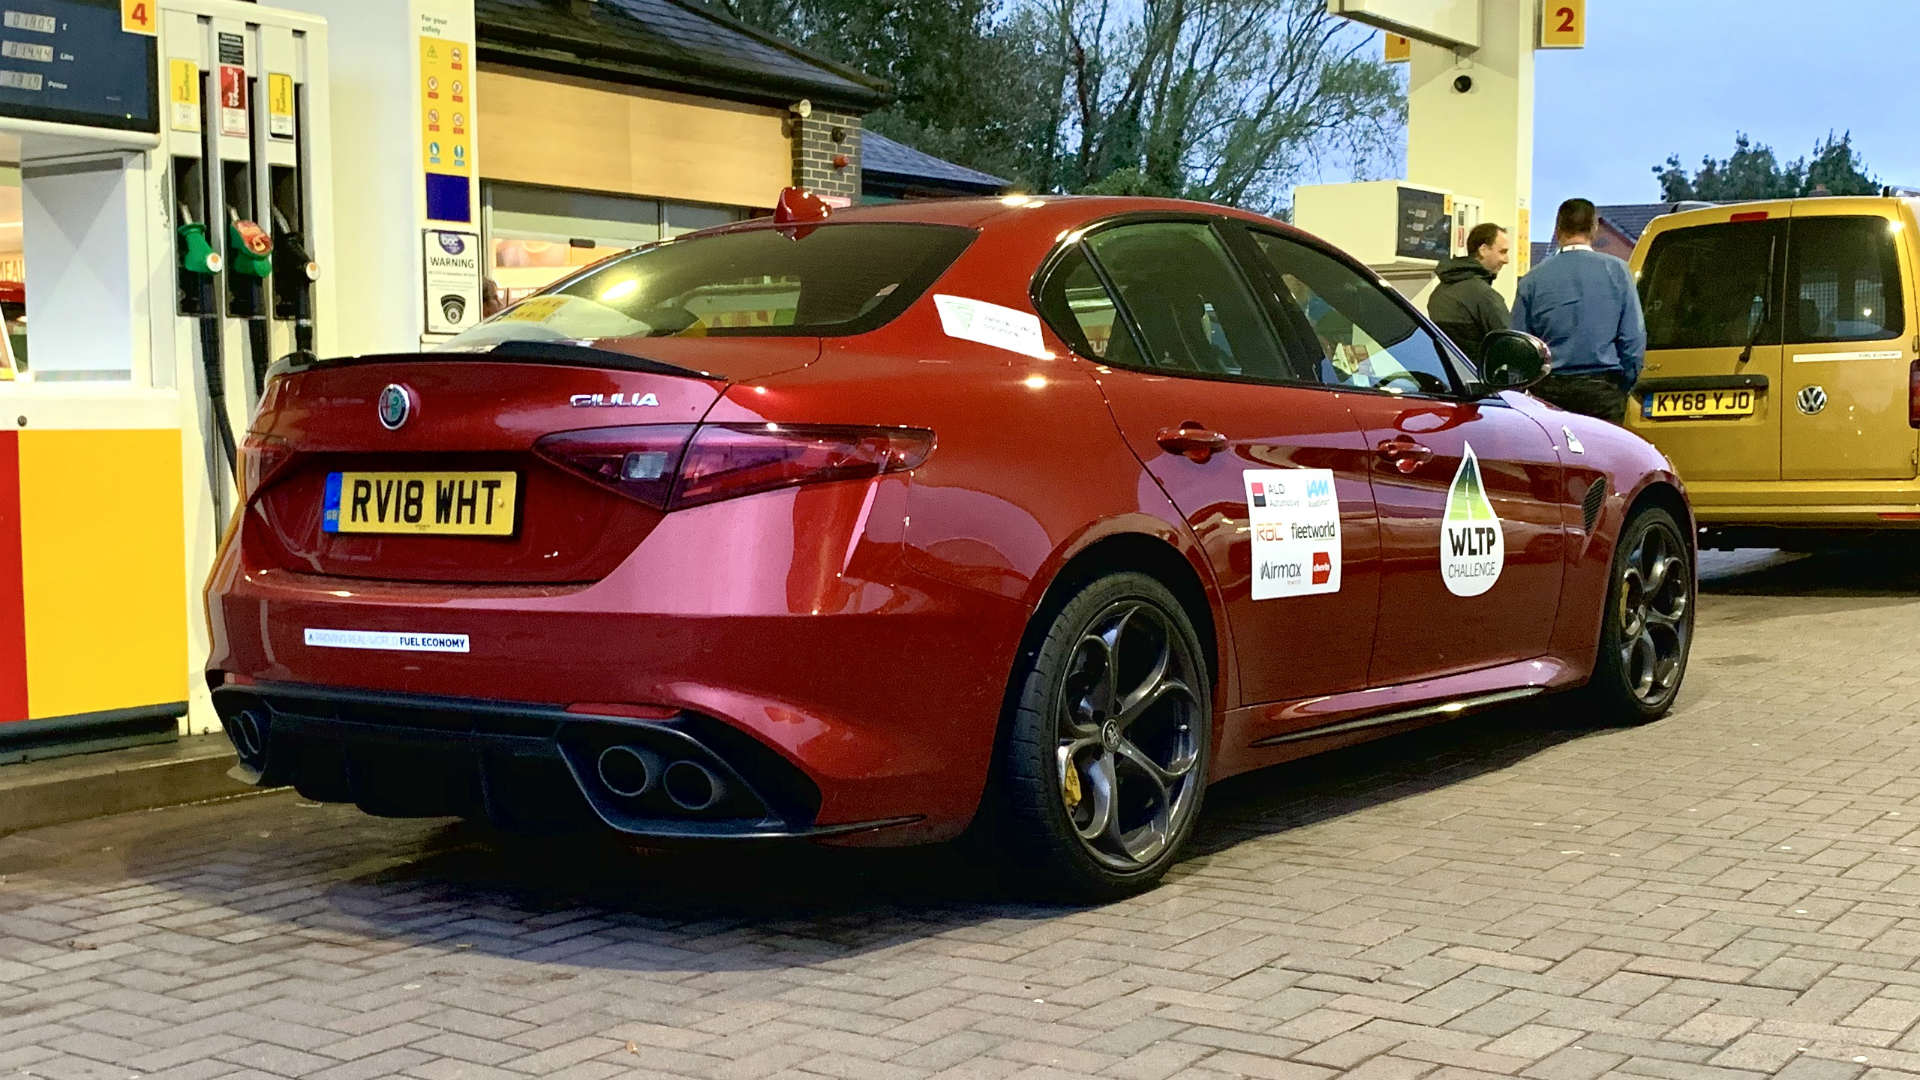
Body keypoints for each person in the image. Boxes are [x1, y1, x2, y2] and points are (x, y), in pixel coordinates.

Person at [1511, 198, 1647, 423]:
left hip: (1549, 394)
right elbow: (1633, 339)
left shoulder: (1532, 280)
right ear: (1594, 228)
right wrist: (1623, 385)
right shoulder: (1617, 272)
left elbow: (1519, 345)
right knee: (1604, 457)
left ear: (1557, 229)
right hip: (1603, 391)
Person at [1428, 222, 1511, 365]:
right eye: (1502, 252)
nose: (1506, 260)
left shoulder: (1439, 293)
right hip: (1480, 379)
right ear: (1483, 249)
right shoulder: (1484, 296)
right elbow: (1510, 345)